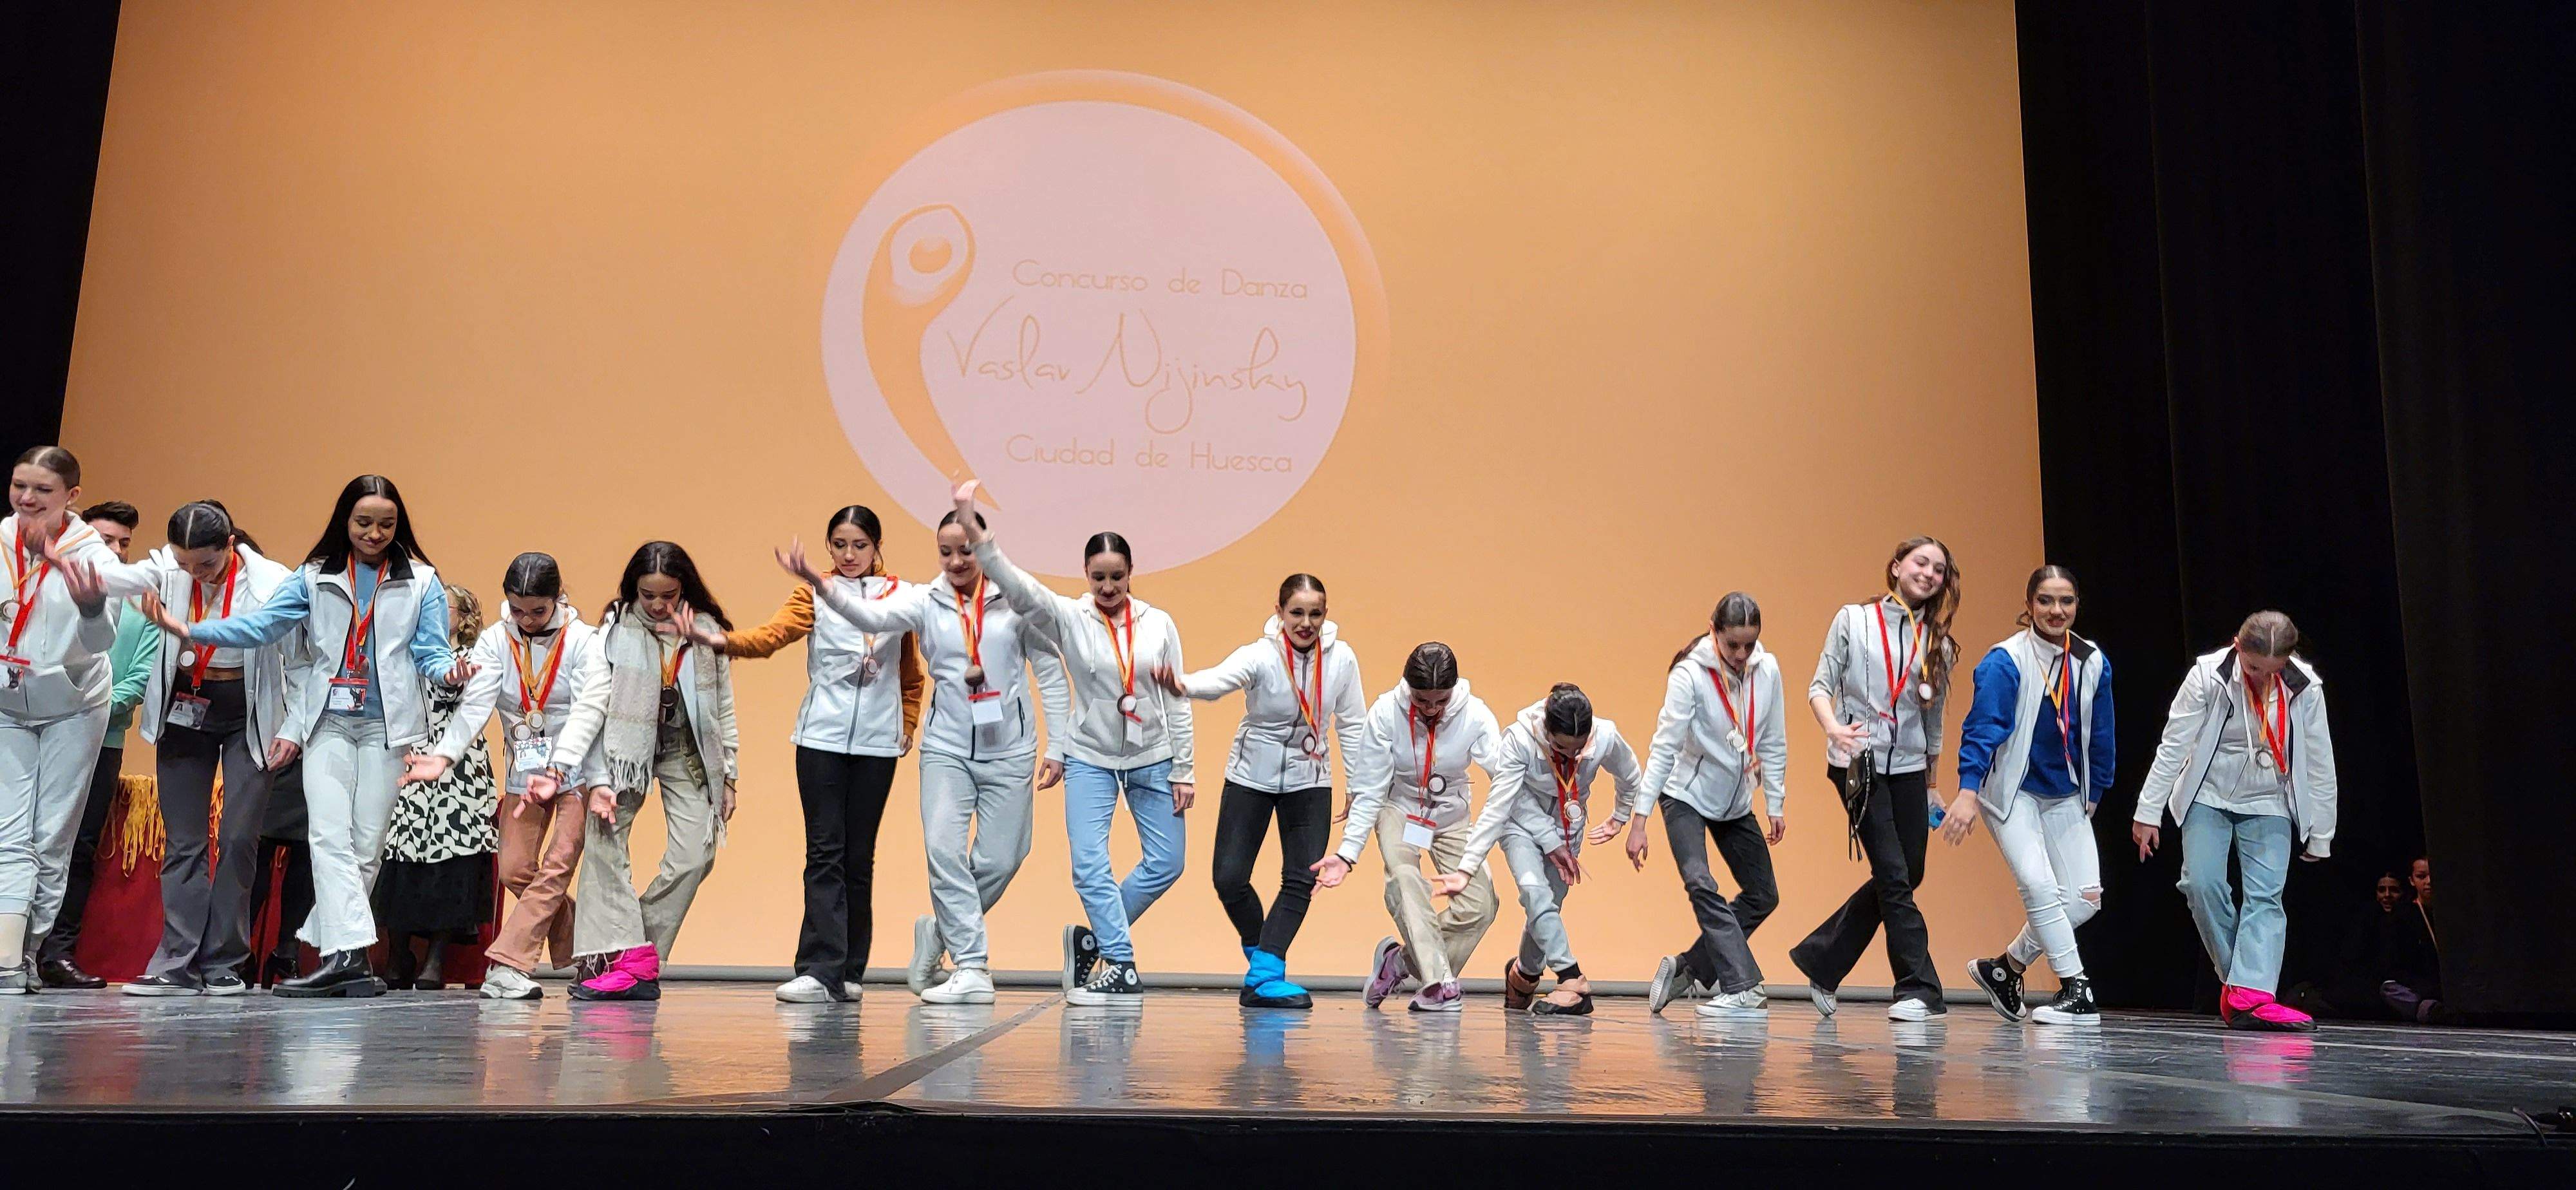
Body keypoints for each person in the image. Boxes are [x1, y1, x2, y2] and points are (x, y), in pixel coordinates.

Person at [138, 475, 469, 998]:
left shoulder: (422, 581)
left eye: (386, 524)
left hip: (388, 729)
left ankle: (345, 956)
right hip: (328, 723)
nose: (375, 533)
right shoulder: (314, 576)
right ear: (345, 521)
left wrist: (450, 671)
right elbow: (262, 626)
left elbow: (430, 653)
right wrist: (192, 631)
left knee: (367, 848)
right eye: (364, 522)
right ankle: (345, 958)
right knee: (327, 838)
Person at [766, 505, 1068, 1006]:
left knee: (1003, 858)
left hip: (1010, 750)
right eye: (946, 552)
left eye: (966, 550)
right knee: (944, 854)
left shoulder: (1014, 600)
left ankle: (941, 933)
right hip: (946, 747)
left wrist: (1059, 745)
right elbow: (869, 615)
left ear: (985, 548)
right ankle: (972, 967)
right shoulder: (924, 600)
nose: (955, 561)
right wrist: (816, 584)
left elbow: (1051, 672)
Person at [944, 480, 1193, 1007]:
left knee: (1168, 863)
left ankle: (1094, 940)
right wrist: (974, 528)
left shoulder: (1159, 623)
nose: (1108, 587)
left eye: (1117, 577)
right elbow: (1016, 585)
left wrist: (1185, 768)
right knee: (1088, 864)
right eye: (1099, 577)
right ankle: (1120, 963)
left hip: (1153, 758)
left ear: (1131, 573)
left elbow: (1177, 698)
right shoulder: (1068, 617)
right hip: (1090, 759)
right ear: (1087, 576)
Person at [711, 506, 925, 1005]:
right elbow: (771, 636)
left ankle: (850, 970)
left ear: (876, 547)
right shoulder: (812, 592)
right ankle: (818, 968)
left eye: (859, 546)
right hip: (821, 740)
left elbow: (910, 675)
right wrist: (721, 641)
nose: (848, 556)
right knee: (824, 852)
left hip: (878, 745)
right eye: (838, 545)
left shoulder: (904, 597)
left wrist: (907, 724)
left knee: (859, 857)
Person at [89, 502, 298, 996]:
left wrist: (294, 725)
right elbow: (116, 575)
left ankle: (225, 961)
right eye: (184, 565)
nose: (194, 575)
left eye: (205, 565)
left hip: (247, 716)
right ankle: (175, 962)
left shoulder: (271, 581)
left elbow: (301, 657)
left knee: (240, 841)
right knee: (185, 843)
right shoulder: (166, 570)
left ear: (230, 546)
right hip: (185, 712)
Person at [526, 542, 737, 1002]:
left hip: (687, 750)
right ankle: (620, 964)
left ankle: (633, 957)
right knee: (605, 846)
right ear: (632, 590)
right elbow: (593, 704)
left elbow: (722, 708)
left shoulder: (705, 630)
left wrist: (730, 777)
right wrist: (567, 768)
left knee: (695, 855)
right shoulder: (615, 630)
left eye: (670, 595)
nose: (660, 605)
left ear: (686, 588)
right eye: (649, 596)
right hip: (626, 750)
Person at [1156, 573, 1374, 1009]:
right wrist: (1183, 685)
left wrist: (1358, 783)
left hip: (1310, 779)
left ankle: (1267, 972)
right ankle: (1262, 962)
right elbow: (1220, 680)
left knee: (1301, 878)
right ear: (1279, 613)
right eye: (1297, 613)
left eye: (1315, 613)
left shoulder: (1343, 659)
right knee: (1229, 878)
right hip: (1250, 777)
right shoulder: (1261, 655)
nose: (1306, 623)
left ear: (1325, 615)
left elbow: (1352, 723)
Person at [402, 553, 606, 999]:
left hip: (579, 772)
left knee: (555, 868)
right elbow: (476, 704)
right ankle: (590, 950)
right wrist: (444, 755)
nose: (527, 620)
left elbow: (590, 712)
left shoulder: (587, 642)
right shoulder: (496, 640)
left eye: (538, 611)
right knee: (516, 869)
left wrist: (559, 768)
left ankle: (508, 965)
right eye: (517, 610)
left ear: (557, 600)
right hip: (525, 774)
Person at [2133, 610, 2340, 1033]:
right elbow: (2173, 745)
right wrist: (2147, 811)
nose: (2263, 678)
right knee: (2201, 883)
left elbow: (2321, 761)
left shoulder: (2305, 687)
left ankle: (2252, 996)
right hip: (2208, 794)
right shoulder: (2207, 676)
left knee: (2266, 899)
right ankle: (2242, 985)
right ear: (2236, 646)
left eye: (2273, 670)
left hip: (2270, 800)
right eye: (2253, 668)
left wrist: (2322, 831)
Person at [1788, 536, 1960, 1021]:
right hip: (1857, 762)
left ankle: (1823, 960)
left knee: (1909, 873)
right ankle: (1918, 987)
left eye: (1939, 569)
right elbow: (1820, 686)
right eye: (1920, 562)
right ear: (1896, 566)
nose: (1929, 573)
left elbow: (1934, 721)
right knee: (1893, 874)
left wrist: (1931, 783)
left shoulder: (1938, 641)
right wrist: (1833, 728)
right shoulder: (1854, 620)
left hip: (1908, 767)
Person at [1950, 565, 2116, 1026]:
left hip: (2066, 793)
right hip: (2011, 791)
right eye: (2045, 601)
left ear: (2077, 605)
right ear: (2028, 606)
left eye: (2066, 601)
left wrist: (2096, 789)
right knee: (2041, 886)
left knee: (2084, 898)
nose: (2056, 610)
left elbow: (2101, 733)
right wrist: (1967, 793)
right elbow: (1982, 731)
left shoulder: (2092, 661)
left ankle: (2005, 969)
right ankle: (2076, 988)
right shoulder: (2005, 661)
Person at [1432, 683, 1644, 1015]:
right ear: (1546, 731)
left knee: (1546, 910)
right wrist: (1465, 869)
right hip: (1521, 824)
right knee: (1534, 893)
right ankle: (1572, 978)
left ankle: (1524, 976)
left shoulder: (1605, 736)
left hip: (1568, 825)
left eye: (1579, 749)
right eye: (1562, 748)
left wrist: (1620, 817)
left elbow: (1630, 775)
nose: (1571, 757)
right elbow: (1500, 806)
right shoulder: (1518, 740)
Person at [1314, 642, 1502, 1013]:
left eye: (1440, 701)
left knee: (1482, 905)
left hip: (1449, 813)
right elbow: (1368, 790)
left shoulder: (1476, 716)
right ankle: (1438, 984)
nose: (1431, 709)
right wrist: (1347, 854)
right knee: (1405, 880)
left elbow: (1504, 777)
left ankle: (1399, 963)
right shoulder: (1385, 713)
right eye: (1422, 700)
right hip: (1397, 806)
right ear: (1407, 687)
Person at [0, 447, 126, 994]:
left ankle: (27, 952)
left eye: (42, 491)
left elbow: (102, 643)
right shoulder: (1, 540)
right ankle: (5, 955)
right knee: (8, 832)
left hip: (73, 706)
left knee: (51, 835)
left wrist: (94, 608)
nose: (27, 499)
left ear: (71, 497)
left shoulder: (96, 558)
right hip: (8, 702)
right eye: (19, 485)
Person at [1635, 592, 1789, 1021]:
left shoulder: (1768, 671)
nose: (1741, 655)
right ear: (1713, 632)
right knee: (1701, 882)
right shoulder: (1689, 676)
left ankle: (1689, 967)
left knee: (1762, 895)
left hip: (1736, 799)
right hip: (1684, 795)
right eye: (1732, 645)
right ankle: (1743, 985)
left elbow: (1774, 740)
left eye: (1749, 645)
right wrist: (1640, 818)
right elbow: (1664, 747)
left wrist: (1774, 801)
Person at [37, 499, 145, 988]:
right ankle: (13, 945)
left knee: (77, 848)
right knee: (21, 838)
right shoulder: (43, 588)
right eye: (105, 541)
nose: (116, 551)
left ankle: (55, 953)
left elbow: (138, 678)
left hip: (101, 739)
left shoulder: (137, 608)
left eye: (124, 543)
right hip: (35, 730)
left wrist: (90, 706)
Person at [373, 585, 500, 990]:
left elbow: (455, 690)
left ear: (463, 617)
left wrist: (452, 676)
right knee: (401, 856)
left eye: (441, 607)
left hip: (457, 766)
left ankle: (434, 962)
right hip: (411, 755)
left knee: (454, 861)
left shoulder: (471, 658)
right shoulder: (408, 652)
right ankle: (396, 957)